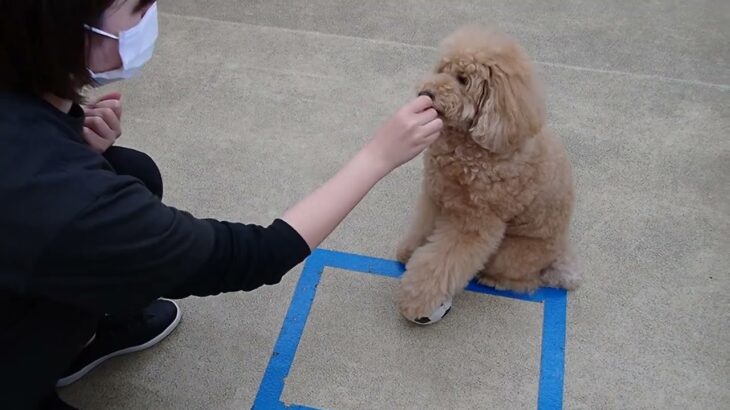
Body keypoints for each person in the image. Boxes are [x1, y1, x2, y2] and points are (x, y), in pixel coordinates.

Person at [0, 1, 443, 408]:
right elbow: (253, 257)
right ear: (67, 29)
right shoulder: (75, 205)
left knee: (131, 170)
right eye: (136, 6)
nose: (151, 13)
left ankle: (84, 336)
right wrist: (377, 156)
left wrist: (69, 129)